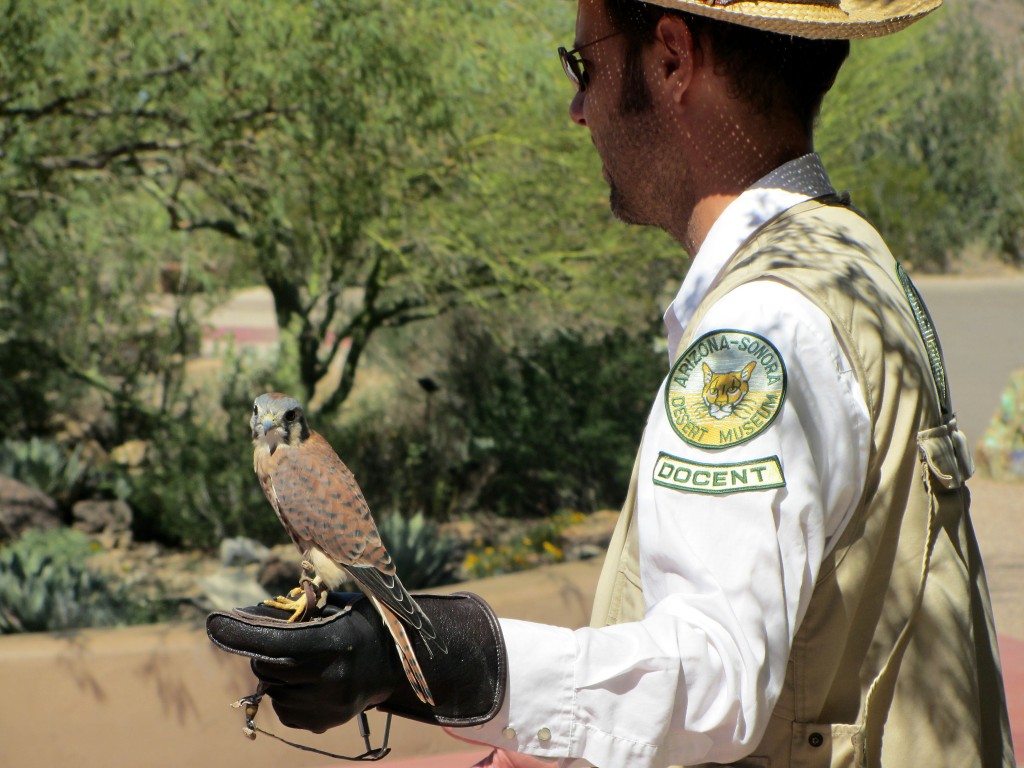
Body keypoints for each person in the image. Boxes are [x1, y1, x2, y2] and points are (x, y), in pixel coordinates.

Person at [207, 0, 1016, 765]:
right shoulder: (850, 259)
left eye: (581, 66)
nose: (577, 110)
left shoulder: (761, 327)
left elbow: (714, 680)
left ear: (671, 59)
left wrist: (443, 657)